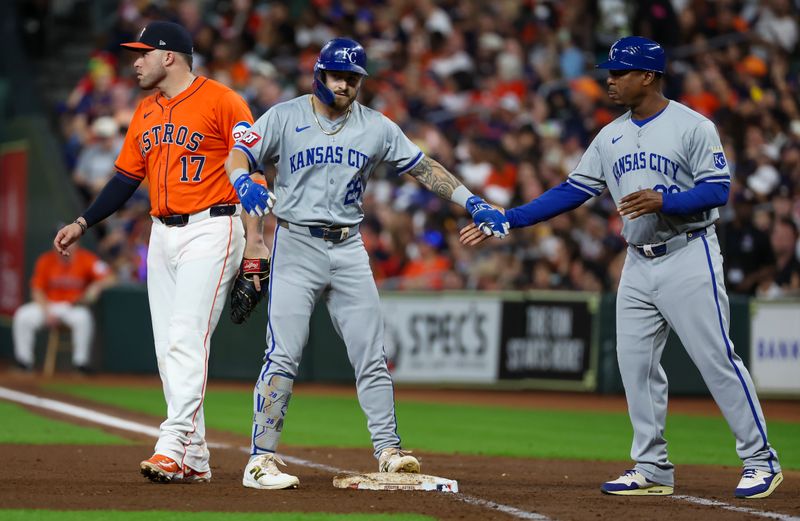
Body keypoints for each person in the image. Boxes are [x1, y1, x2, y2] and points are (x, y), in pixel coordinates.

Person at [460, 36, 783, 499]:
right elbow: (572, 191)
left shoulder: (693, 126)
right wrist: (510, 218)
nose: (609, 80)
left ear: (648, 76)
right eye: (609, 72)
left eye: (619, 72)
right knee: (635, 366)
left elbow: (718, 190)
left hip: (688, 253)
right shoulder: (610, 135)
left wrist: (666, 200)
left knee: (716, 360)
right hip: (637, 262)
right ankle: (652, 467)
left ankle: (760, 460)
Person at [225, 37, 509, 490]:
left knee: (372, 356)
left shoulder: (376, 127)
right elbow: (239, 155)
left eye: (354, 78)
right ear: (319, 74)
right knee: (283, 353)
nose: (346, 84)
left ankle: (389, 451)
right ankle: (260, 459)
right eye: (339, 75)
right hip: (297, 246)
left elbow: (424, 167)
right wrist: (242, 180)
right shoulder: (284, 115)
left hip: (349, 248)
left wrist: (472, 201)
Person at [54, 21, 275, 484]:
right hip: (162, 232)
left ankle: (171, 445)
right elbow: (123, 180)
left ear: (168, 56)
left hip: (214, 226)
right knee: (166, 349)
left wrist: (256, 240)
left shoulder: (223, 100)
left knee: (185, 338)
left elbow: (251, 169)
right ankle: (195, 455)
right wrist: (83, 222)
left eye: (142, 54)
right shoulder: (145, 111)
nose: (135, 62)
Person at [12, 238, 112, 373]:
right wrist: (46, 311)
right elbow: (37, 290)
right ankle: (24, 362)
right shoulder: (46, 260)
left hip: (71, 307)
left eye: (70, 242)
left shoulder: (87, 259)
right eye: (62, 242)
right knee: (22, 315)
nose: (66, 246)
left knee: (84, 318)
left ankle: (80, 364)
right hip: (48, 306)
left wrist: (96, 286)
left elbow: (110, 277)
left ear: (78, 243)